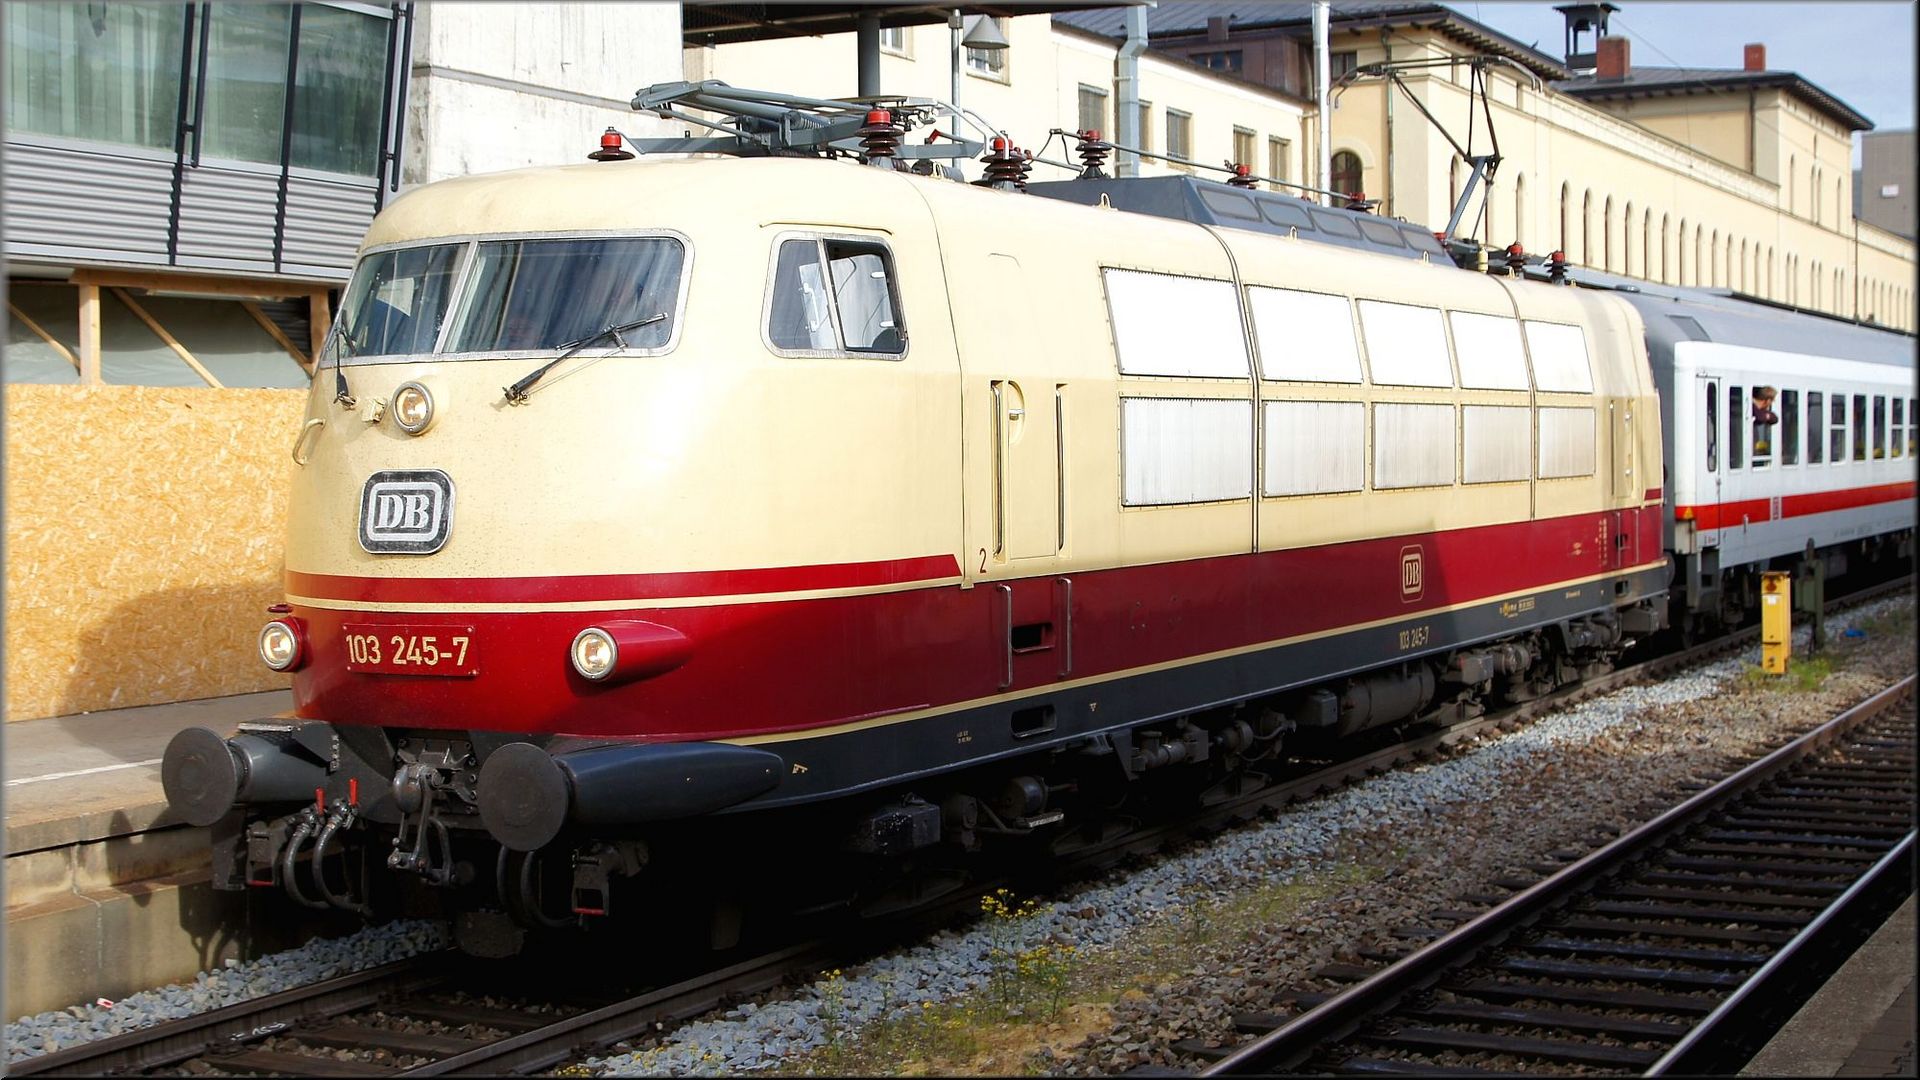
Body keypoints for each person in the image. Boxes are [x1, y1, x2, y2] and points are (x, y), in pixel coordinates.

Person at [1752, 385, 1778, 456]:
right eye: (1772, 401)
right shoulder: (1751, 407)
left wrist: (1767, 415)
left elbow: (1774, 419)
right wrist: (1766, 416)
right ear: (1768, 400)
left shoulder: (1761, 411)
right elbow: (1760, 417)